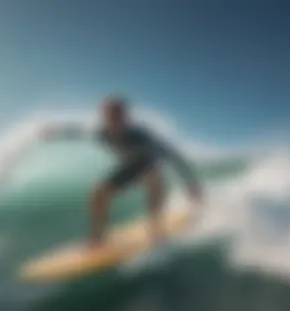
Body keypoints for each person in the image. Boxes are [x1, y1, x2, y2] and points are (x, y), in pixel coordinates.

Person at [40, 95, 203, 246]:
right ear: (104, 117)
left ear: (126, 117)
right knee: (97, 192)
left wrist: (190, 182)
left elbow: (172, 155)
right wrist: (55, 132)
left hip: (148, 164)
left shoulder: (140, 135)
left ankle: (156, 227)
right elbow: (77, 132)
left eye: (119, 115)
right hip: (130, 166)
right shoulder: (101, 132)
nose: (115, 120)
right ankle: (99, 235)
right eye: (110, 115)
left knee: (154, 176)